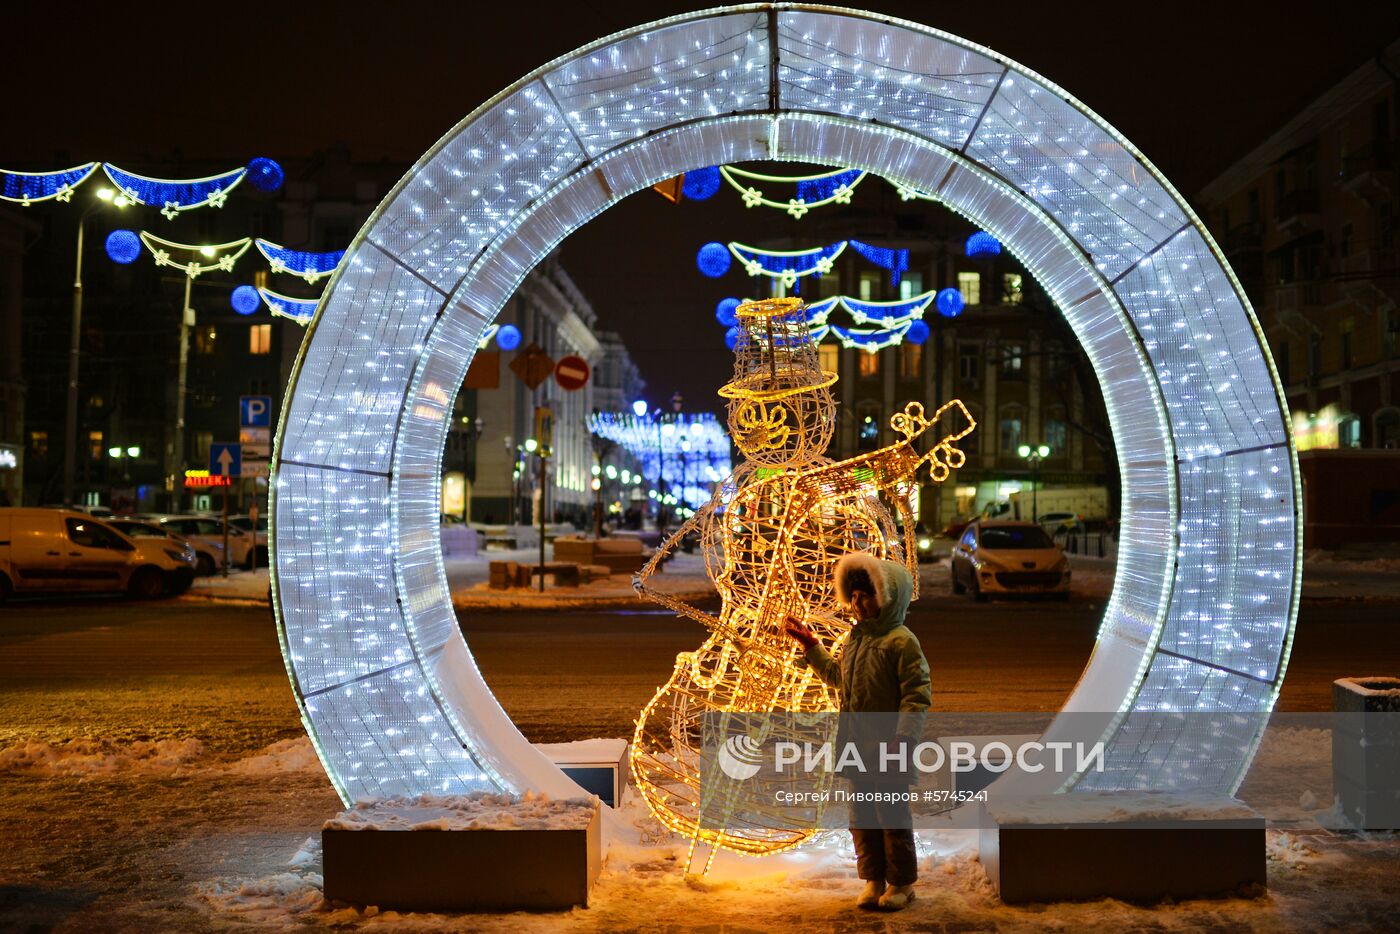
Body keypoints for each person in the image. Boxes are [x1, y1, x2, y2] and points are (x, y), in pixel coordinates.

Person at [786, 552, 931, 912]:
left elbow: (916, 695)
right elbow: (839, 679)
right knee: (862, 818)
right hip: (855, 748)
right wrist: (811, 647)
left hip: (888, 748)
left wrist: (904, 738)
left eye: (866, 596)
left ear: (887, 598)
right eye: (853, 596)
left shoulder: (901, 641)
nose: (857, 603)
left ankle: (901, 883)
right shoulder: (856, 639)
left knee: (892, 817)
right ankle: (873, 879)